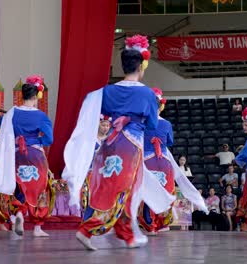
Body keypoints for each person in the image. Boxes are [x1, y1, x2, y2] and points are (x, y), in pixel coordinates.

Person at [62, 35, 175, 250]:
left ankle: (126, 234)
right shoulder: (147, 94)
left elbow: (99, 111)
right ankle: (88, 228)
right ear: (142, 66)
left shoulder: (107, 91)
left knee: (111, 186)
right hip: (130, 146)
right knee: (122, 188)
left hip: (110, 142)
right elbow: (152, 125)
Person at [0, 75, 54, 238]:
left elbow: (0, 125)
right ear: (35, 96)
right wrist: (36, 140)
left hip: (16, 155)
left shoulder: (11, 114)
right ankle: (37, 227)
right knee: (39, 189)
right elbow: (49, 138)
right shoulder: (40, 116)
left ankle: (18, 214)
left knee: (20, 186)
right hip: (35, 155)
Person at [139, 87, 207, 235]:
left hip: (147, 161)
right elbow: (169, 142)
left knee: (148, 190)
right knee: (164, 189)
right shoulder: (167, 124)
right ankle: (162, 223)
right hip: (163, 161)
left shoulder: (142, 123)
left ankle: (149, 224)